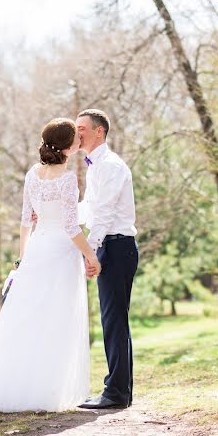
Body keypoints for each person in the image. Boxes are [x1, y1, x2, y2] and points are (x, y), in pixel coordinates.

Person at [0, 118, 101, 412]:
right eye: (76, 138)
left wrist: (23, 260)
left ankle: (15, 387)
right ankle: (48, 391)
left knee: (26, 318)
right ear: (67, 147)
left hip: (37, 250)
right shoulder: (66, 180)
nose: (79, 141)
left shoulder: (32, 175)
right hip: (61, 253)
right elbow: (72, 228)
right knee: (56, 321)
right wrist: (90, 255)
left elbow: (26, 221)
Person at [75, 109, 138, 410]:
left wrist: (91, 249)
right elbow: (88, 208)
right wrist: (55, 216)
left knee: (114, 321)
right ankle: (119, 391)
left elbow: (105, 213)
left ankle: (115, 393)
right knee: (113, 321)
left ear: (99, 132)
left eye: (82, 128)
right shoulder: (95, 166)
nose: (77, 133)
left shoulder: (110, 165)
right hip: (109, 246)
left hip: (117, 247)